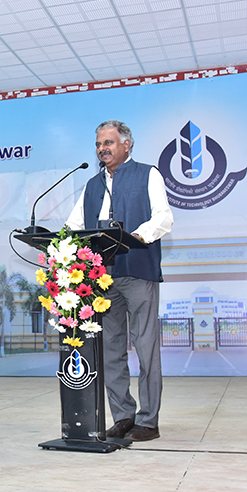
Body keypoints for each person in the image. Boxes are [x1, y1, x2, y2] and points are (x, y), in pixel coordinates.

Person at [66, 120, 173, 442]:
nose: (103, 149)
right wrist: (61, 245)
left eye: (109, 143)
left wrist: (137, 236)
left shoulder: (148, 174)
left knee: (146, 348)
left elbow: (163, 218)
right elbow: (74, 225)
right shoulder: (92, 185)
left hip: (138, 271)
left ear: (127, 145)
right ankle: (123, 417)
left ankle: (148, 421)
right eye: (99, 144)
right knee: (110, 351)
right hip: (102, 280)